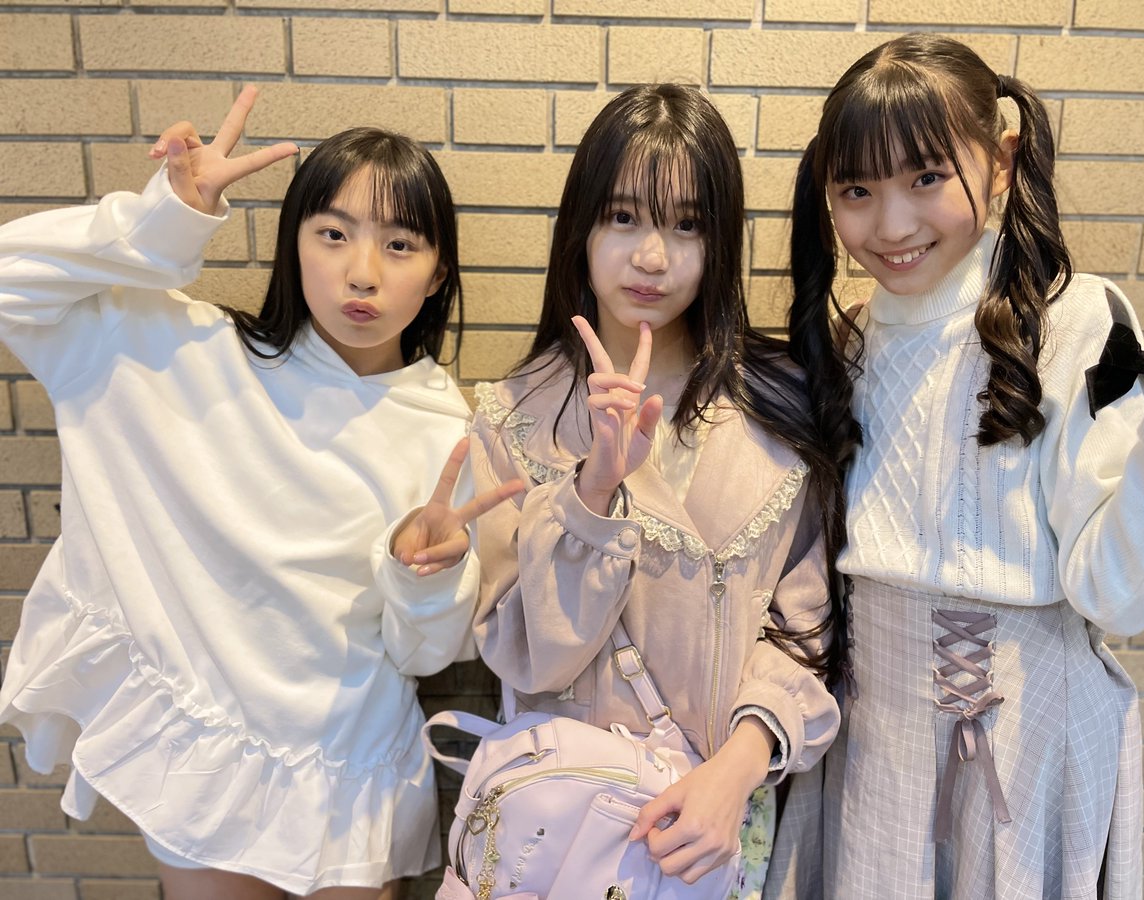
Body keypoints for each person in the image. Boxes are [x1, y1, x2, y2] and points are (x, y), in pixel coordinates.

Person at [0, 88, 520, 899]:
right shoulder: (189, 353)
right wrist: (162, 224)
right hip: (206, 753)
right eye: (333, 234)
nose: (362, 272)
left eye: (400, 244)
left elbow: (422, 655)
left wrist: (422, 574)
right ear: (293, 243)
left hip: (350, 769)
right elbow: (12, 283)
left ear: (437, 272)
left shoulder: (446, 431)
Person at [771, 33, 1144, 900]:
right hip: (873, 748)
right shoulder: (847, 342)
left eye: (927, 177)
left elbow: (1121, 589)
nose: (892, 225)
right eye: (857, 190)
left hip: (1029, 753)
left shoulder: (1075, 321)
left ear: (1000, 161)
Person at [467, 83, 856, 897]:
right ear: (580, 229)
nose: (652, 256)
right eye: (622, 217)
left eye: (687, 224)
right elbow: (526, 653)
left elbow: (808, 621)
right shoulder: (515, 419)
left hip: (718, 830)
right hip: (566, 836)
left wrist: (736, 770)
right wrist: (593, 486)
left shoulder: (781, 403)